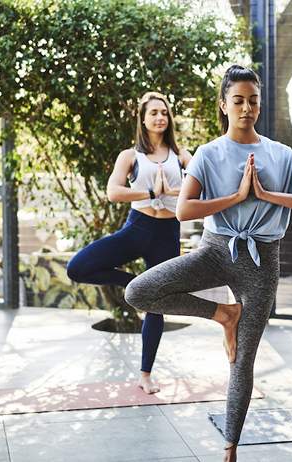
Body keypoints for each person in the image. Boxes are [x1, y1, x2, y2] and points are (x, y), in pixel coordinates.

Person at [125, 65, 292, 462]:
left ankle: (230, 446)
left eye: (253, 100)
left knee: (242, 361)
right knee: (139, 291)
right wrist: (236, 197)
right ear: (224, 105)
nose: (247, 107)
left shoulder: (280, 154)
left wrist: (267, 194)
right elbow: (184, 210)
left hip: (262, 262)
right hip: (216, 249)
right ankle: (223, 314)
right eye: (238, 100)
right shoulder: (208, 153)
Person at [66, 91, 191, 394]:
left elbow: (202, 185)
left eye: (164, 112)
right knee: (77, 268)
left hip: (167, 234)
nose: (160, 117)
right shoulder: (130, 156)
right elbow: (113, 192)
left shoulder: (182, 154)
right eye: (154, 113)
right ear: (143, 119)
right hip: (138, 229)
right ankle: (134, 282)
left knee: (156, 306)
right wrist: (150, 193)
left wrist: (176, 192)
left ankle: (145, 375)